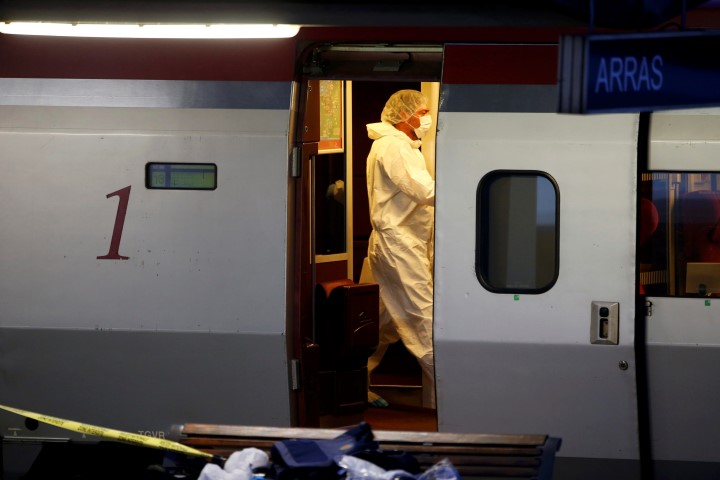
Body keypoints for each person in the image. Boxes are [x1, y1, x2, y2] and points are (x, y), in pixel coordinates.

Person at [365, 89, 436, 409]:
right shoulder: (394, 146)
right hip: (399, 244)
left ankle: (354, 382)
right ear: (404, 116)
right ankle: (455, 392)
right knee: (424, 318)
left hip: (396, 241)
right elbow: (423, 190)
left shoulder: (396, 145)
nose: (425, 118)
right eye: (421, 112)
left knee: (383, 322)